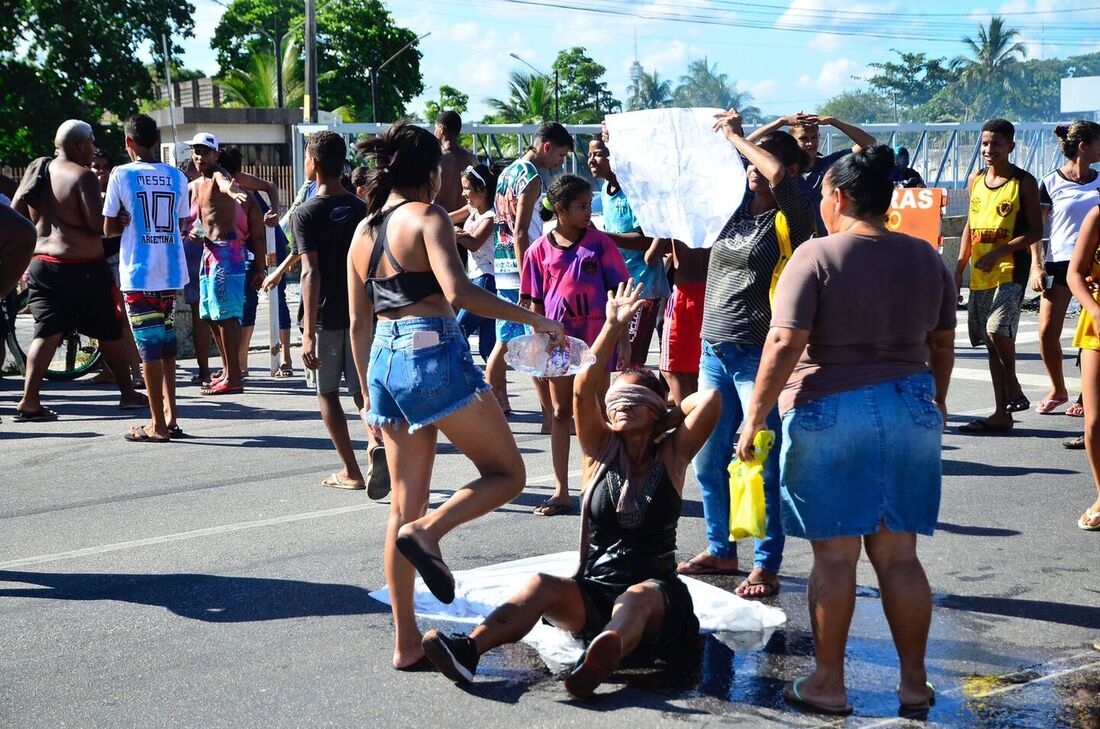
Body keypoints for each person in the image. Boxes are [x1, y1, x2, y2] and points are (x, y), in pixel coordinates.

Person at [736, 145, 954, 718]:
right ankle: (914, 684)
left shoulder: (815, 256)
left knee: (834, 561)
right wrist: (937, 399)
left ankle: (829, 683)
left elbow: (784, 342)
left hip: (830, 405)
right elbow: (942, 342)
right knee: (899, 557)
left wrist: (754, 416)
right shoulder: (926, 256)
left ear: (838, 197)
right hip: (910, 403)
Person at [421, 282, 721, 698]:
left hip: (655, 598)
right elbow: (583, 388)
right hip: (593, 592)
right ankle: (469, 649)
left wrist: (668, 416)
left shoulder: (671, 457)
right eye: (614, 399)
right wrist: (613, 327)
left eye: (632, 400)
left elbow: (710, 402)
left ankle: (601, 657)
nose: (617, 405)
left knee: (635, 597)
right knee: (541, 584)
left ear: (654, 412)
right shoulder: (598, 449)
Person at [346, 121, 563, 670]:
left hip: (383, 365)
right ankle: (431, 531)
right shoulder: (429, 218)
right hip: (432, 354)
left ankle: (405, 644)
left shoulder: (363, 232)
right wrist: (534, 318)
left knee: (401, 506)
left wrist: (369, 404)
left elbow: (356, 323)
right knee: (508, 474)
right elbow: (460, 292)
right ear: (429, 171)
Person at [678, 110, 814, 601]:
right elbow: (714, 162)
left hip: (758, 354)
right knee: (709, 460)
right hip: (714, 349)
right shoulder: (731, 209)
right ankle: (722, 548)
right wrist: (733, 138)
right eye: (750, 161)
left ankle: (767, 562)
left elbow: (777, 173)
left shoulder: (795, 215)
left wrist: (740, 136)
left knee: (759, 460)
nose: (753, 167)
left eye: (764, 160)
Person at [12, 119, 146, 421]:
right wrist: (119, 219)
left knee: (46, 332)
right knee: (109, 331)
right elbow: (95, 225)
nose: (94, 148)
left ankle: (29, 401)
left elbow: (16, 212)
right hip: (81, 267)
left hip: (42, 265)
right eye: (91, 142)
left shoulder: (38, 170)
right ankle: (128, 394)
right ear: (77, 145)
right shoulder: (82, 176)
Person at [521, 174, 630, 516]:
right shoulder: (538, 250)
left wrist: (622, 338)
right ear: (560, 210)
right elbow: (533, 303)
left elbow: (621, 295)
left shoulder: (600, 244)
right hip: (559, 345)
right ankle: (561, 490)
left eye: (589, 205)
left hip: (598, 341)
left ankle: (601, 484)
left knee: (597, 410)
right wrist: (538, 345)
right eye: (582, 206)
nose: (588, 212)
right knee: (559, 413)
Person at [290, 131, 373, 491]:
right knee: (363, 393)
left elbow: (311, 272)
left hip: (323, 319)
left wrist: (308, 333)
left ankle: (351, 471)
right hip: (361, 316)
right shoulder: (360, 208)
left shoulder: (305, 213)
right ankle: (377, 443)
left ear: (315, 164)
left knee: (327, 394)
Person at [103, 114, 191, 442]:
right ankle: (171, 415)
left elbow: (109, 227)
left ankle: (157, 424)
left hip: (139, 273)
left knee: (148, 350)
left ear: (129, 143)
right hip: (170, 271)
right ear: (156, 141)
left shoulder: (121, 174)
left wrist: (125, 220)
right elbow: (182, 223)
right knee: (166, 346)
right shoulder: (177, 176)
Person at [954, 119, 1042, 433]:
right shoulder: (976, 180)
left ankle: (1015, 386)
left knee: (996, 329)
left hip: (1010, 270)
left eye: (997, 144)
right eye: (986, 144)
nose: (990, 150)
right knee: (992, 344)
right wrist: (959, 268)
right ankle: (1001, 412)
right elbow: (969, 225)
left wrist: (999, 252)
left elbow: (1035, 230)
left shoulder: (1023, 182)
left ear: (1011, 147)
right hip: (980, 273)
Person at [485, 123, 573, 419]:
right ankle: (550, 416)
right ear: (547, 147)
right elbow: (521, 231)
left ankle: (487, 409)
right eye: (560, 155)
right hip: (524, 267)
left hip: (502, 265)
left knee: (504, 341)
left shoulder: (506, 173)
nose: (560, 162)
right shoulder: (531, 177)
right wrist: (528, 279)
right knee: (537, 341)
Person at [186, 132, 261, 396]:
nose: (199, 156)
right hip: (208, 254)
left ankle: (235, 377)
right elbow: (192, 218)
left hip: (227, 254)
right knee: (211, 317)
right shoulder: (196, 185)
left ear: (215, 155)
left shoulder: (219, 176)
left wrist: (232, 189)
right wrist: (193, 231)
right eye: (195, 151)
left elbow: (225, 181)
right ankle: (229, 372)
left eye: (204, 152)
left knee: (227, 317)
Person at [1034, 122, 1100, 414]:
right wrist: (1036, 266)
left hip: (1094, 267)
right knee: (1047, 331)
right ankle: (1058, 388)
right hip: (1059, 264)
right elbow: (1037, 228)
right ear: (1084, 147)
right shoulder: (1050, 181)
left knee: (1090, 334)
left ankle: (1087, 397)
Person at [588, 136, 669, 366]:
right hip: (621, 283)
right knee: (622, 357)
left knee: (632, 357)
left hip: (643, 285)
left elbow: (646, 238)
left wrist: (604, 237)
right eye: (590, 155)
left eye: (599, 154)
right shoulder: (605, 190)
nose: (592, 160)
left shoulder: (635, 191)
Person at [749, 111, 875, 233]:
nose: (810, 143)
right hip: (789, 239)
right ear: (793, 141)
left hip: (823, 239)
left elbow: (869, 144)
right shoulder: (783, 169)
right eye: (803, 138)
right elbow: (745, 144)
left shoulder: (829, 164)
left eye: (814, 137)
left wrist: (833, 121)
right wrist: (781, 122)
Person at [90, 150, 144, 388]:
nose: (100, 170)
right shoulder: (85, 193)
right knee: (101, 320)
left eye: (104, 166)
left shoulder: (117, 194)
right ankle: (108, 369)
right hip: (93, 261)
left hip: (114, 260)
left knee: (124, 320)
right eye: (95, 166)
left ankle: (136, 372)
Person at [216, 146, 270, 380]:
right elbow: (257, 236)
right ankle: (238, 363)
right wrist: (261, 267)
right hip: (241, 258)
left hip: (217, 260)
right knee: (241, 310)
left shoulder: (210, 186)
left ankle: (235, 365)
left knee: (223, 314)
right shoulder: (244, 194)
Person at [1068, 203, 1100, 530]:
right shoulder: (1097, 215)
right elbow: (1074, 273)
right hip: (1096, 324)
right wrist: (1094, 310)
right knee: (1094, 422)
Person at [449, 163, 498, 362]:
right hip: (478, 280)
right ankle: (496, 391)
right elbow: (444, 218)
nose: (463, 193)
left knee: (458, 331)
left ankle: (463, 374)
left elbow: (475, 243)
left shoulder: (491, 215)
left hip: (487, 282)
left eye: (467, 188)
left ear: (482, 189)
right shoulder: (472, 209)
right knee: (488, 348)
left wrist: (456, 234)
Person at [655, 238, 709, 405]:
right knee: (696, 365)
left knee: (671, 367)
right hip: (710, 289)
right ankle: (699, 418)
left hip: (684, 293)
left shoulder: (677, 219)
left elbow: (651, 255)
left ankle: (688, 423)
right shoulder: (712, 217)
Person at [433, 110, 478, 267]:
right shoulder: (470, 158)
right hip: (464, 229)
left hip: (439, 226)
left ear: (442, 129)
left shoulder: (434, 159)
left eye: (435, 128)